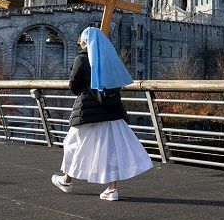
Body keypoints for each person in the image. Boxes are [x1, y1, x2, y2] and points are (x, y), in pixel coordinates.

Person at [52, 26, 152, 201]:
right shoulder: (110, 58)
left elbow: (74, 87)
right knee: (110, 149)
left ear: (84, 41)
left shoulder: (82, 59)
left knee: (73, 145)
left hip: (89, 112)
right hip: (111, 110)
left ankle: (67, 181)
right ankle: (111, 190)